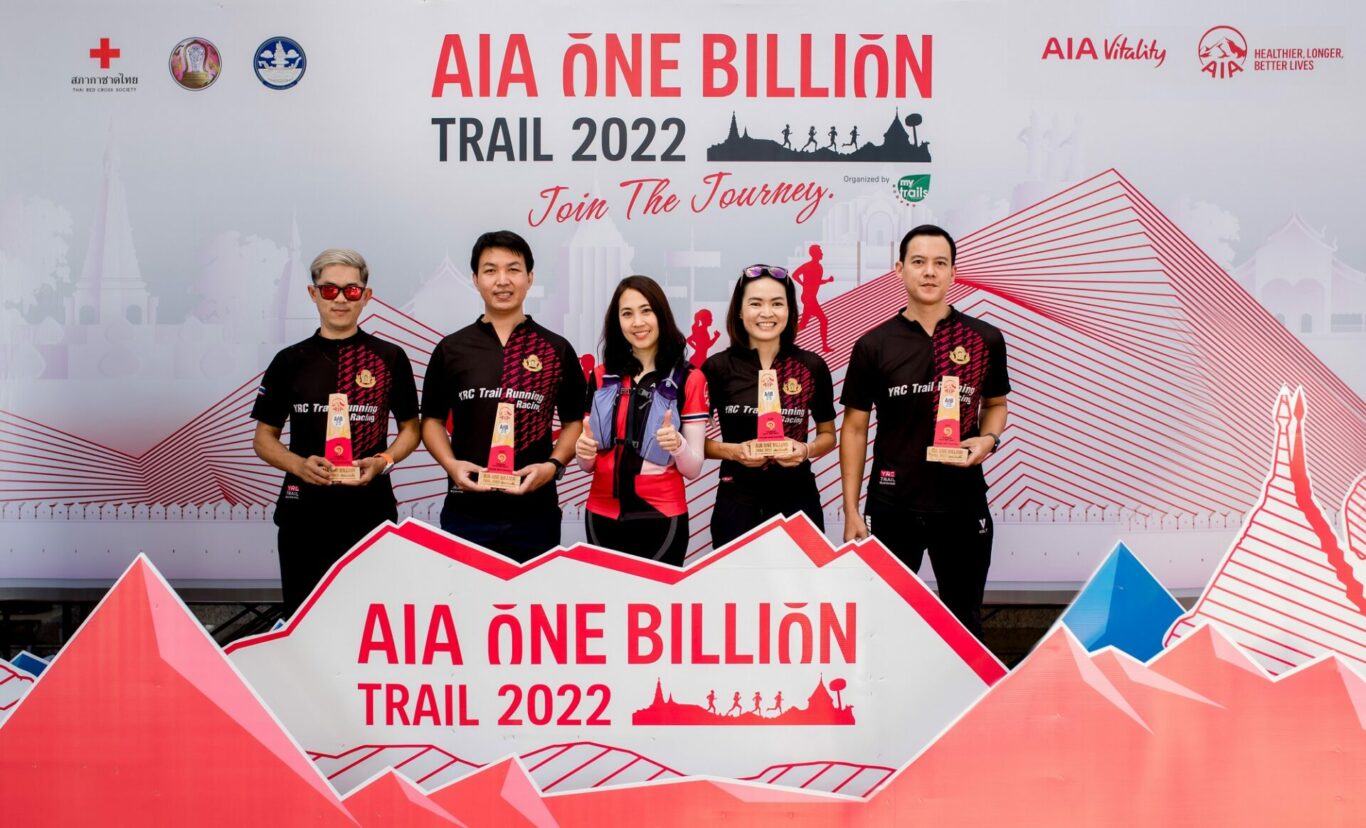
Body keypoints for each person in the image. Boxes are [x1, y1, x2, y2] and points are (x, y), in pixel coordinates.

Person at [839, 225, 1010, 640]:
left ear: (953, 272)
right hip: (892, 504)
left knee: (964, 624)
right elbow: (855, 428)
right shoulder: (873, 344)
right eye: (918, 262)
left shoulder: (984, 339)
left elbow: (996, 405)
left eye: (939, 263)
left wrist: (988, 440)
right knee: (885, 626)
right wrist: (851, 510)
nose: (929, 272)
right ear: (899, 269)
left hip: (962, 503)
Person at [252, 248, 421, 616]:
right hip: (303, 515)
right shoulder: (289, 361)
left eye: (351, 290)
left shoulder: (390, 358)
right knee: (303, 620)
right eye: (329, 290)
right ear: (313, 294)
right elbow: (263, 439)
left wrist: (384, 461)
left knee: (367, 622)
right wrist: (298, 465)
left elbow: (411, 429)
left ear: (366, 296)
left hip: (369, 510)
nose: (340, 299)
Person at [421, 231, 586, 562]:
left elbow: (573, 422)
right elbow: (431, 421)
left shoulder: (556, 349)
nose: (502, 280)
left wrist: (553, 466)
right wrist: (451, 465)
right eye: (490, 270)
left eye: (513, 269)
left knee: (533, 595)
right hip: (467, 511)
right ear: (475, 279)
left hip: (535, 512)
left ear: (530, 277)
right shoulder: (452, 349)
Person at [575, 276, 708, 566]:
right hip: (600, 515)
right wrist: (582, 451)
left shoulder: (689, 378)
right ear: (617, 322)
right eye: (627, 314)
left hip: (662, 517)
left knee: (657, 595)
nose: (637, 322)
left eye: (646, 310)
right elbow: (587, 465)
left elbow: (693, 468)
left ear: (661, 314)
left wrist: (678, 444)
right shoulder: (600, 376)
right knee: (605, 595)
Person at [702, 265, 836, 548]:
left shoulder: (811, 366)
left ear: (790, 310)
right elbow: (691, 444)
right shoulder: (717, 368)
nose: (767, 313)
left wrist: (806, 450)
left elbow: (828, 435)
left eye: (777, 303)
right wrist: (734, 451)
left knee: (801, 577)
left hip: (798, 498)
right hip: (737, 500)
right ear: (739, 311)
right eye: (755, 303)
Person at [792, 243, 835, 352]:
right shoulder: (810, 266)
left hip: (810, 298)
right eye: (820, 252)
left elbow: (816, 282)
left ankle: (784, 338)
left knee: (803, 324)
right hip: (809, 298)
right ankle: (824, 346)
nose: (822, 254)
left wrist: (827, 280)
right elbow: (795, 275)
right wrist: (803, 284)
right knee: (823, 320)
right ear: (815, 254)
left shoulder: (818, 267)